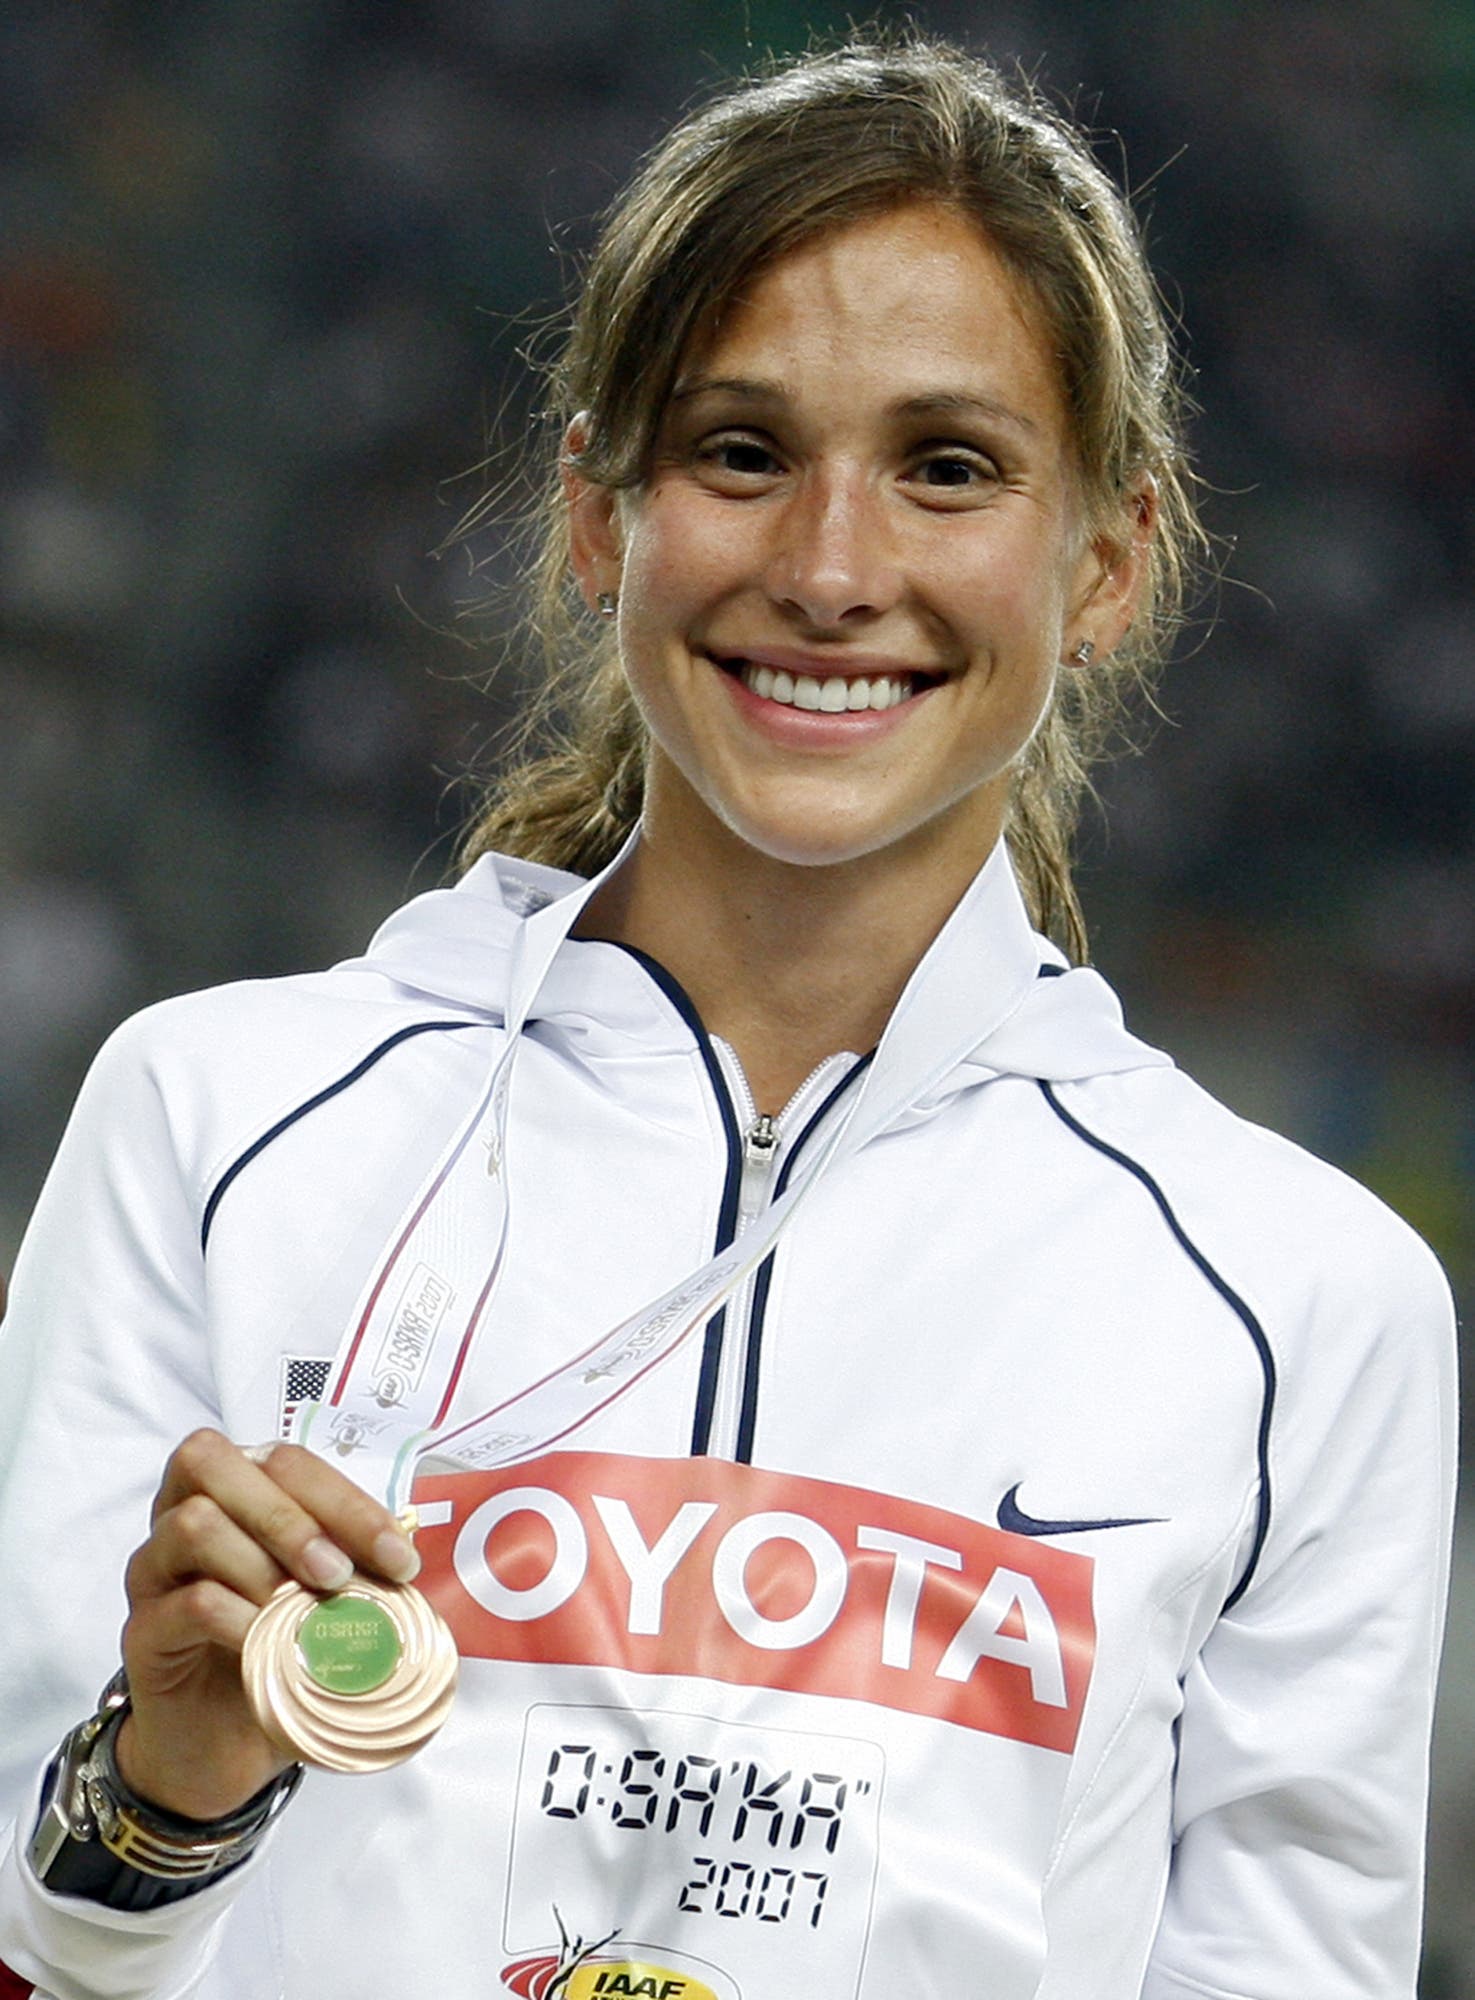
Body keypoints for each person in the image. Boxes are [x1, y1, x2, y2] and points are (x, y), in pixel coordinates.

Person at [0, 35, 1455, 2000]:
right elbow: (40, 1946)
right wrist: (165, 1795)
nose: (832, 569)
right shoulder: (219, 1124)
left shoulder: (1303, 1301)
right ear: (602, 519)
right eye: (741, 451)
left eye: (948, 466)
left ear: (1106, 559)